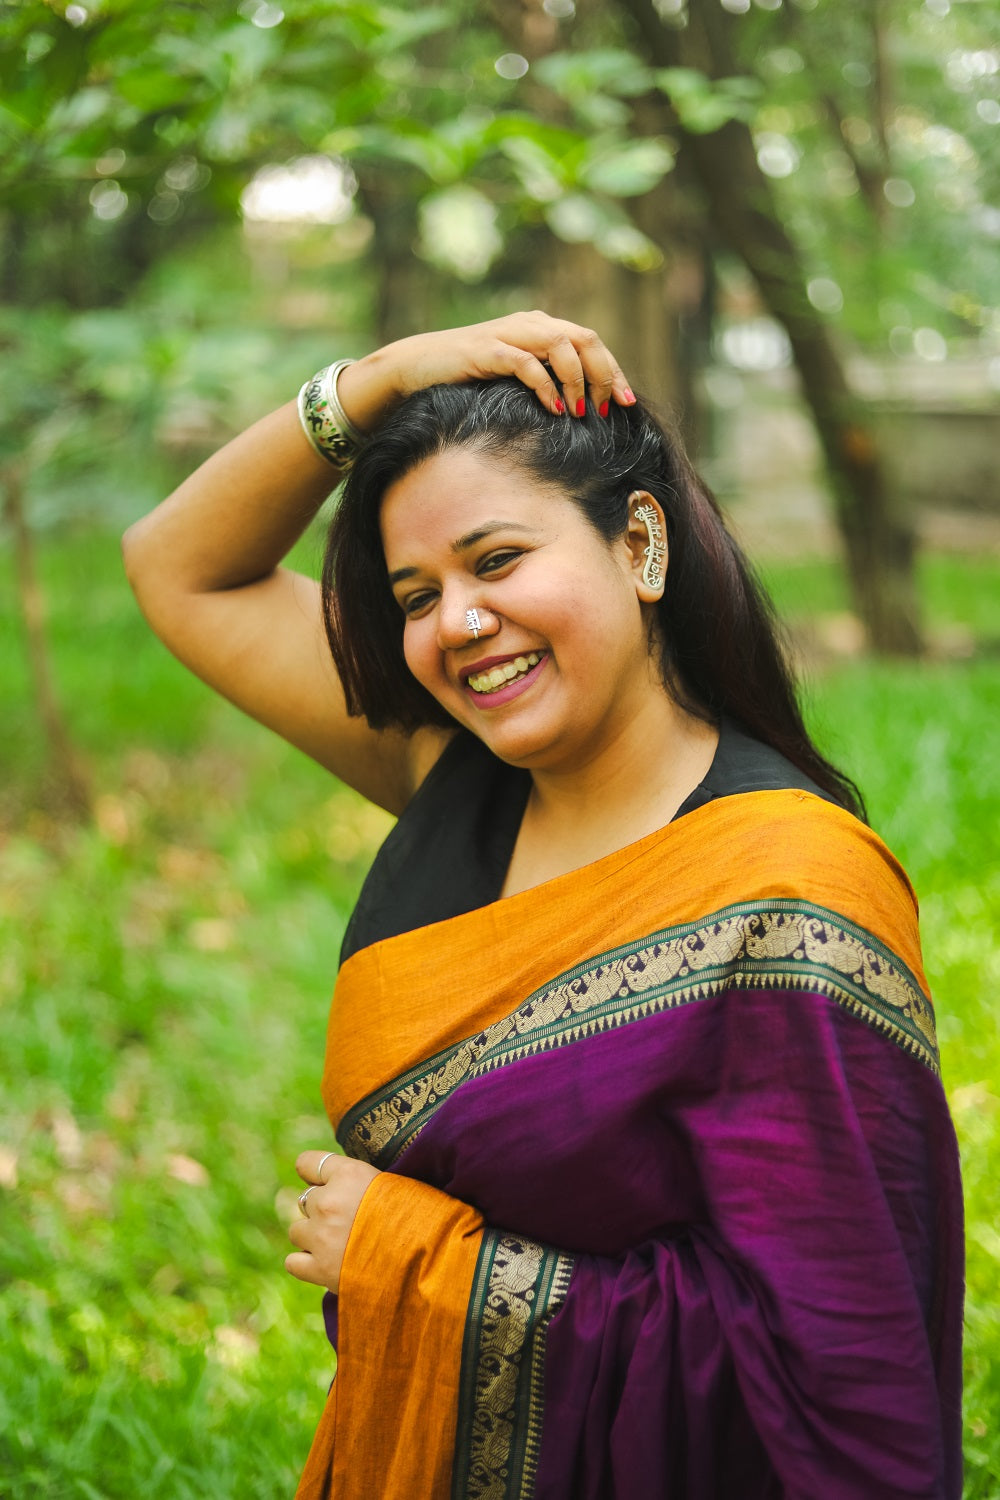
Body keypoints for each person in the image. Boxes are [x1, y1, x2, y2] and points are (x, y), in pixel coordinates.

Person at [122, 312, 963, 1500]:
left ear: (638, 544)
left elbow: (829, 1371)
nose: (456, 623)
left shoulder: (789, 895)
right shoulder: (447, 774)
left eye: (498, 560)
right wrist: (378, 381)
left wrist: (416, 1266)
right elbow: (176, 564)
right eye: (415, 594)